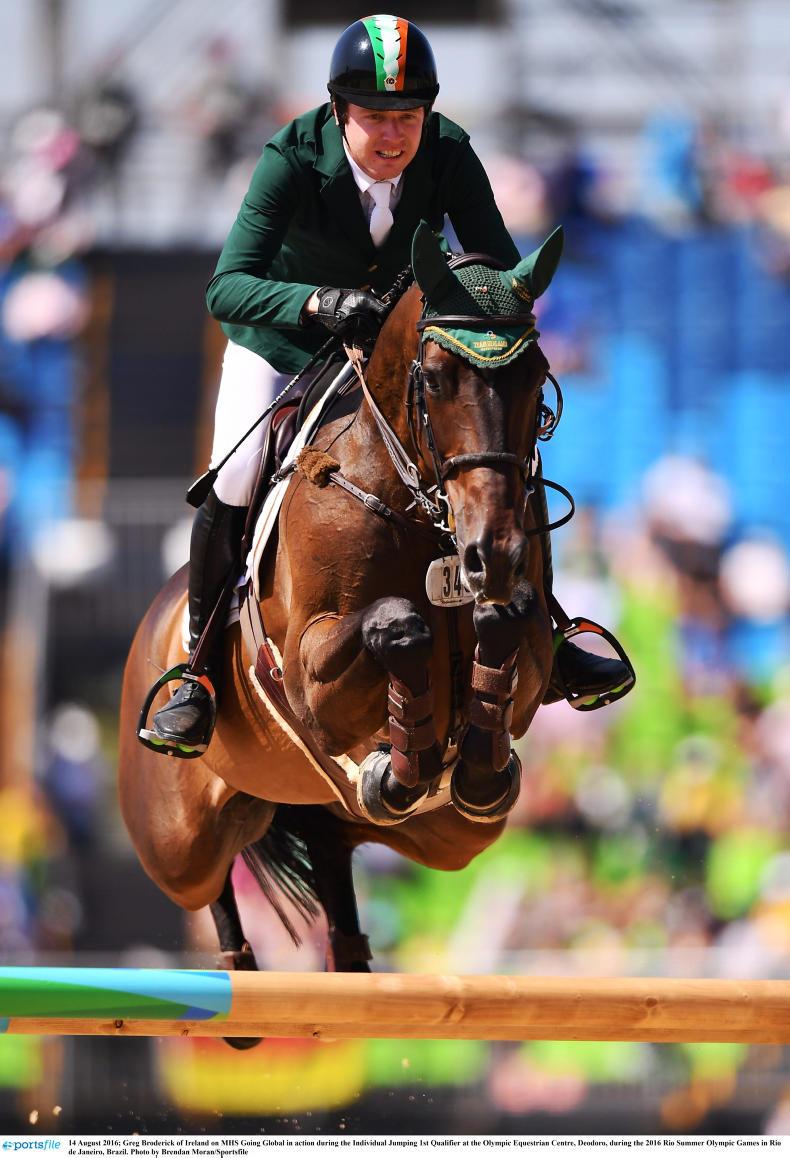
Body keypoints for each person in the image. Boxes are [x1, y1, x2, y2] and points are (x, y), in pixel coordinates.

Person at [149, 14, 632, 756]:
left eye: (407, 116)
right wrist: (318, 303)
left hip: (396, 352)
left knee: (493, 447)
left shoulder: (449, 155)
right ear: (340, 112)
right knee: (239, 475)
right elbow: (228, 288)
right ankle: (199, 671)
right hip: (287, 343)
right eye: (375, 117)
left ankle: (554, 628)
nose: (392, 135)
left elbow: (494, 272)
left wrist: (506, 323)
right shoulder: (290, 159)